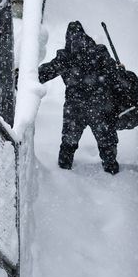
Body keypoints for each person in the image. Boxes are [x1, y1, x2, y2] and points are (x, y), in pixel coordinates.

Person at [39, 21, 124, 174]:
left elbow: (45, 72)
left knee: (69, 142)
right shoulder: (99, 52)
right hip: (101, 106)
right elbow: (113, 75)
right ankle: (112, 170)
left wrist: (23, 76)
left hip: (75, 107)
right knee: (106, 141)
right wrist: (119, 71)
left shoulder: (66, 57)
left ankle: (64, 170)